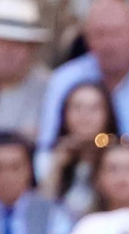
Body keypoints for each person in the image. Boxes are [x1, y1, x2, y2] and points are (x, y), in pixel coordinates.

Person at [39, 0, 129, 151]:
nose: (109, 43)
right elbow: (46, 148)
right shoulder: (64, 80)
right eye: (100, 34)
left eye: (116, 33)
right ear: (87, 38)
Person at [0, 0, 52, 144]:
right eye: (0, 42)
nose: (7, 51)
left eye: (17, 44)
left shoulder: (50, 89)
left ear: (32, 48)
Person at [39, 82, 119, 221]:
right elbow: (41, 212)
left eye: (94, 108)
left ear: (108, 114)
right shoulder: (48, 156)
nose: (85, 115)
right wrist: (57, 166)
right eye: (77, 107)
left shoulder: (121, 154)